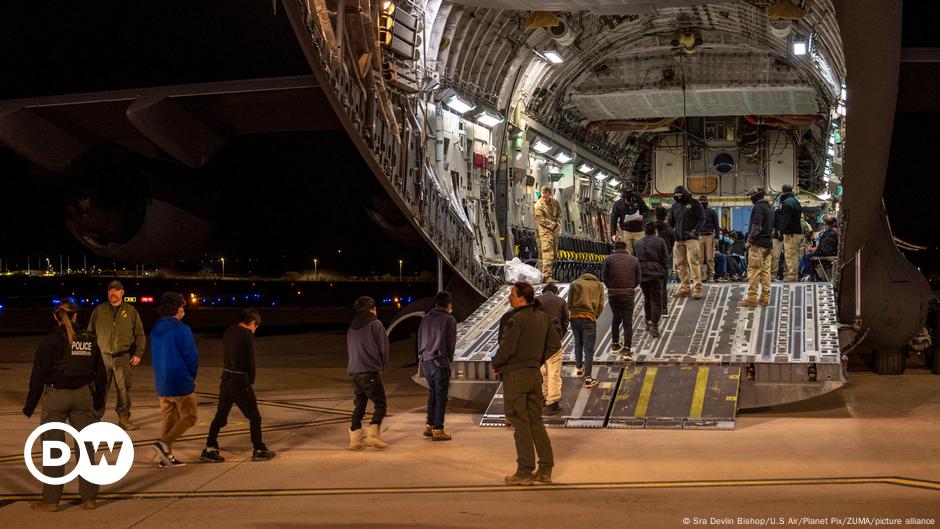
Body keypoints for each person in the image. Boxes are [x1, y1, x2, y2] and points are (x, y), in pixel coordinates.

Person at [23, 301, 108, 511]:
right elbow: (101, 375)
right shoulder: (89, 340)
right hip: (83, 396)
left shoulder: (50, 341)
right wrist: (98, 402)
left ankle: (51, 501)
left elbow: (38, 376)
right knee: (86, 448)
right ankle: (89, 498)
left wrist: (30, 405)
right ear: (76, 316)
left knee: (54, 449)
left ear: (56, 317)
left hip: (57, 397)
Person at [492, 282, 560, 485]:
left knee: (520, 422)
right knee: (536, 422)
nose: (509, 298)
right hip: (533, 375)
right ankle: (546, 469)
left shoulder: (515, 320)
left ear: (522, 297)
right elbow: (555, 345)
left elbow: (507, 348)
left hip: (515, 377)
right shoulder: (543, 318)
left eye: (512, 294)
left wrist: (496, 363)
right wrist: (537, 361)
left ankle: (524, 471)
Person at [201, 308, 276, 463]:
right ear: (252, 322)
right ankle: (259, 448)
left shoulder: (229, 331)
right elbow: (250, 360)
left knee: (220, 416)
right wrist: (251, 380)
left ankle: (210, 448)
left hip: (226, 379)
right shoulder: (247, 335)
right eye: (256, 325)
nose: (255, 329)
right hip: (239, 380)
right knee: (255, 417)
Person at [87, 279, 145, 431]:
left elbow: (140, 334)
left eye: (115, 290)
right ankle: (95, 417)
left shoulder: (131, 311)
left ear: (122, 292)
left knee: (124, 389)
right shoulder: (99, 310)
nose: (112, 293)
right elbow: (90, 334)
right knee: (100, 388)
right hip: (102, 357)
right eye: (110, 290)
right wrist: (90, 355)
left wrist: (138, 353)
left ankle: (124, 418)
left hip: (123, 357)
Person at [151, 292, 199, 467]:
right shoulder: (182, 329)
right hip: (180, 382)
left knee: (169, 419)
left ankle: (165, 457)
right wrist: (191, 377)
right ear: (175, 308)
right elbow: (191, 358)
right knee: (190, 416)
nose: (183, 310)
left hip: (162, 383)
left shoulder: (156, 329)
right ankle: (164, 443)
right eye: (182, 306)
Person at [346, 296, 390, 450]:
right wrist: (381, 366)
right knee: (380, 404)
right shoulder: (375, 324)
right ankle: (373, 435)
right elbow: (383, 349)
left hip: (355, 372)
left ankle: (355, 439)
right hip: (370, 371)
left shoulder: (352, 326)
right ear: (372, 308)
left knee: (360, 405)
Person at [417, 291, 456, 441]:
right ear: (448, 304)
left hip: (426, 361)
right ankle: (438, 429)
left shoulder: (425, 318)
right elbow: (450, 343)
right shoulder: (449, 319)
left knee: (433, 393)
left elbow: (419, 339)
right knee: (441, 397)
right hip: (440, 361)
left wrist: (421, 357)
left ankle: (429, 425)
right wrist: (449, 361)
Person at [602, 241, 640, 356]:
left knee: (616, 318)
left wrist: (611, 287)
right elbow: (638, 278)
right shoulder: (634, 260)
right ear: (625, 248)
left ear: (614, 248)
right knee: (627, 321)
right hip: (628, 294)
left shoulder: (608, 259)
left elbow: (604, 276)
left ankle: (615, 344)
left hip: (613, 294)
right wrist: (630, 287)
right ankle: (627, 348)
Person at [567, 272, 605, 388]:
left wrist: (574, 311)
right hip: (589, 317)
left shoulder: (574, 283)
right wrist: (595, 316)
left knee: (578, 342)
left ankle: (579, 368)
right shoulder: (598, 285)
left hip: (574, 317)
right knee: (588, 348)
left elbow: (569, 303)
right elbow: (601, 304)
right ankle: (588, 378)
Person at [536, 283, 568, 415]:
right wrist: (560, 335)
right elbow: (565, 321)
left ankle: (544, 396)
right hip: (553, 337)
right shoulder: (561, 301)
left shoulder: (536, 301)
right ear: (556, 292)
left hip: (538, 337)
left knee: (542, 368)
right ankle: (553, 402)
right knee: (554, 369)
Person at [668, 186, 705, 299]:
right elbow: (671, 222)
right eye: (676, 196)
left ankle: (697, 288)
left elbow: (701, 219)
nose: (678, 197)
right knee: (680, 264)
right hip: (678, 239)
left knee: (693, 262)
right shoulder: (674, 206)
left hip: (691, 239)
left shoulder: (694, 203)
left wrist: (695, 232)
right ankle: (685, 288)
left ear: (684, 193)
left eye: (680, 195)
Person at [741, 187, 775, 307]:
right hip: (768, 245)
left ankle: (751, 298)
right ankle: (765, 298)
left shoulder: (758, 207)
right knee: (765, 271)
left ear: (756, 195)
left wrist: (749, 242)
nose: (750, 197)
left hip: (758, 245)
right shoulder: (769, 207)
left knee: (754, 271)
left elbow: (756, 227)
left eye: (751, 194)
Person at [633, 222, 669, 337]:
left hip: (642, 274)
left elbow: (635, 259)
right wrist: (664, 272)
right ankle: (654, 325)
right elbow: (664, 258)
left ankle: (647, 321)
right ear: (655, 231)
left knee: (647, 298)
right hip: (655, 273)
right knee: (656, 301)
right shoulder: (660, 241)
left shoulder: (638, 243)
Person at [610, 184, 650, 255]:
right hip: (625, 231)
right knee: (627, 253)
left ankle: (640, 265)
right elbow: (613, 219)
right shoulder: (618, 204)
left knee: (642, 252)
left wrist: (642, 216)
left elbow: (646, 210)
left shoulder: (638, 199)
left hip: (639, 230)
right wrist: (613, 233)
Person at [533, 186, 562, 282]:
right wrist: (553, 225)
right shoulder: (538, 205)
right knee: (547, 253)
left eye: (547, 196)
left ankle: (541, 275)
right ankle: (546, 276)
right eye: (543, 196)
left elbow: (559, 213)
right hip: (543, 231)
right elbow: (541, 220)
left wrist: (557, 223)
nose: (545, 198)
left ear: (549, 194)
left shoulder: (555, 202)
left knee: (553, 253)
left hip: (553, 231)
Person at [778, 184, 804, 281]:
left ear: (782, 191)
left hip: (791, 234)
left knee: (790, 255)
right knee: (794, 255)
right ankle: (793, 275)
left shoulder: (787, 202)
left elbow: (786, 219)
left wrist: (781, 231)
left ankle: (791, 277)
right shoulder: (795, 201)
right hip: (796, 232)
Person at [653, 206, 675, 315]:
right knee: (663, 286)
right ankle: (663, 309)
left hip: (651, 261)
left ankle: (651, 311)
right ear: (666, 216)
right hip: (663, 260)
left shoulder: (651, 228)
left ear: (655, 216)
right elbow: (671, 245)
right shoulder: (670, 230)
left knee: (650, 286)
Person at [698, 195, 720, 282]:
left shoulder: (712, 212)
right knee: (700, 258)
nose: (703, 203)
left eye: (704, 201)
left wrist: (717, 237)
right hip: (699, 236)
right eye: (701, 201)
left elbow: (716, 226)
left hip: (709, 236)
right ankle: (699, 277)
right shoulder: (697, 213)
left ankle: (710, 276)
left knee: (710, 258)